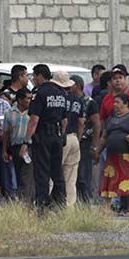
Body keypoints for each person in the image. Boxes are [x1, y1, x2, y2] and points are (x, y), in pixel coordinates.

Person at [93, 93, 129, 216]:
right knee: (109, 182)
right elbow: (104, 136)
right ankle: (106, 208)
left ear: (126, 103)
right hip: (112, 157)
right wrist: (98, 150)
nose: (115, 105)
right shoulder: (111, 118)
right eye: (114, 102)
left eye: (117, 102)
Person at [25, 64, 68, 211]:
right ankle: (61, 204)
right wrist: (61, 135)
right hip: (57, 135)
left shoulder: (40, 93)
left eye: (34, 76)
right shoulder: (61, 93)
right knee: (57, 172)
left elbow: (34, 120)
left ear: (39, 76)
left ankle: (42, 206)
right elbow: (64, 120)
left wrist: (26, 141)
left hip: (43, 136)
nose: (33, 80)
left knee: (42, 172)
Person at [53, 71, 82, 207]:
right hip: (74, 138)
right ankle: (69, 206)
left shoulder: (58, 99)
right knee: (71, 176)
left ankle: (49, 203)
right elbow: (81, 122)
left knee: (53, 172)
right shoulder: (77, 99)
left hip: (60, 137)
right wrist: (78, 139)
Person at [71, 75, 101, 203]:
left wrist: (94, 145)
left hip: (85, 142)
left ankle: (85, 202)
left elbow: (97, 124)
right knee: (74, 174)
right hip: (72, 141)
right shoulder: (71, 100)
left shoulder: (89, 102)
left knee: (84, 174)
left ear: (77, 85)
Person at [2, 88, 34, 202]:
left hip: (29, 147)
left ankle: (25, 201)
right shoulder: (9, 113)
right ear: (20, 100)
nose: (30, 100)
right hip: (15, 147)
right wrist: (4, 150)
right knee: (18, 174)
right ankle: (24, 199)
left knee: (27, 175)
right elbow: (6, 133)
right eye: (27, 98)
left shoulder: (33, 113)